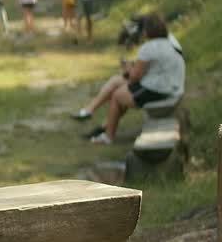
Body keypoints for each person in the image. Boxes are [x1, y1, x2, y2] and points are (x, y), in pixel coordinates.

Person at [72, 14, 185, 145]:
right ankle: (94, 115)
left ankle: (108, 136)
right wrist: (132, 69)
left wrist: (127, 69)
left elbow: (135, 77)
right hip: (171, 86)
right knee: (117, 82)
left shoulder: (148, 48)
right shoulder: (169, 41)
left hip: (162, 91)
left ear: (147, 31)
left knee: (117, 95)